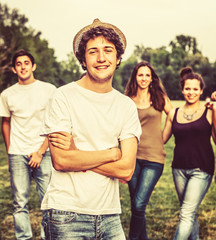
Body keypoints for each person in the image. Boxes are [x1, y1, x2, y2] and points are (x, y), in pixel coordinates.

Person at [40, 18, 142, 240]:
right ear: (83, 60)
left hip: (110, 215)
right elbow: (62, 161)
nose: (101, 57)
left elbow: (126, 170)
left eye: (108, 50)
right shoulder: (62, 97)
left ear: (117, 59)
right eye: (93, 51)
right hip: (65, 213)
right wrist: (112, 153)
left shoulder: (126, 106)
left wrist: (78, 152)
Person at [0, 49, 56, 240]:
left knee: (48, 200)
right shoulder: (8, 94)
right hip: (18, 153)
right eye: (19, 64)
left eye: (26, 63)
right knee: (19, 202)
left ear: (33, 66)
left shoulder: (49, 90)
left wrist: (40, 151)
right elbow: (5, 122)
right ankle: (24, 237)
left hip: (43, 153)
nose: (23, 67)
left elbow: (54, 124)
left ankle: (49, 236)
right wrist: (10, 149)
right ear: (14, 69)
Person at [163, 67, 216, 240]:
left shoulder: (209, 112)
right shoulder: (174, 113)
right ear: (182, 89)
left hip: (201, 169)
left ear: (201, 91)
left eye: (195, 89)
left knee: (185, 213)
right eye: (187, 88)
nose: (191, 92)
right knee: (188, 211)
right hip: (178, 169)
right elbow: (161, 139)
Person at [124, 61, 172, 240]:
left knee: (138, 204)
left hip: (154, 159)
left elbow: (172, 117)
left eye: (147, 75)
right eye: (140, 75)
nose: (143, 78)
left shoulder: (159, 97)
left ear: (151, 79)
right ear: (135, 78)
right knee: (137, 205)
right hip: (132, 157)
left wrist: (162, 138)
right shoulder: (127, 100)